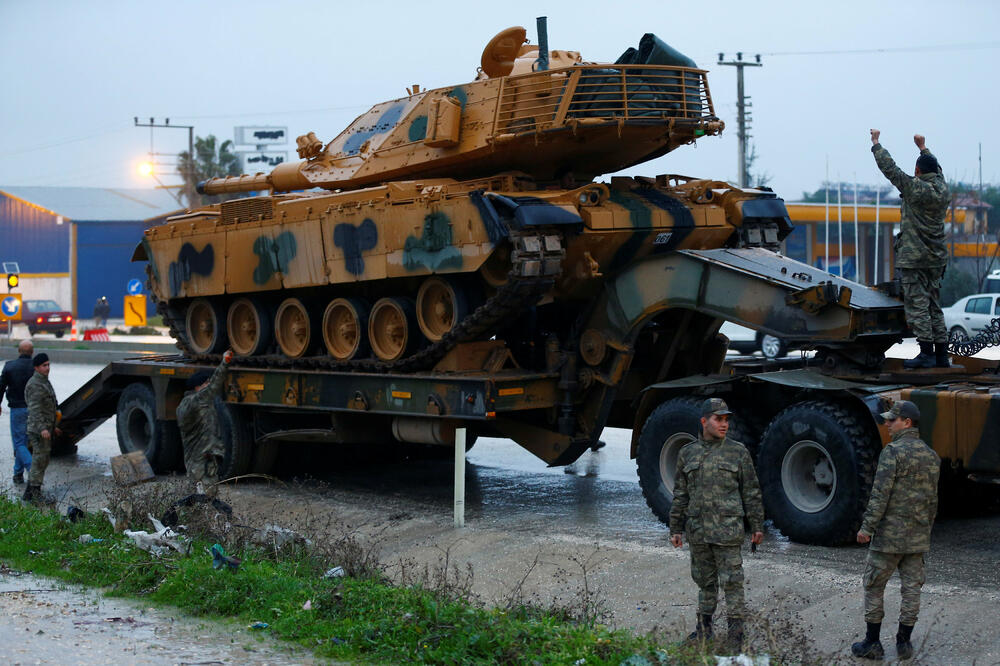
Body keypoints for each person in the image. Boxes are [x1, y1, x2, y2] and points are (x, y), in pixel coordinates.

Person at [669, 398, 765, 649]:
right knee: (705, 582)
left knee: (733, 583)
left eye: (726, 419)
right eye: (718, 419)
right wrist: (675, 528)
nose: (724, 424)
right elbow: (681, 494)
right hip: (699, 532)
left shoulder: (738, 452)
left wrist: (757, 526)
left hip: (728, 531)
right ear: (704, 421)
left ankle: (736, 636)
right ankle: (704, 630)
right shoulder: (687, 453)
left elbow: (751, 492)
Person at [851, 400, 940, 661]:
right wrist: (926, 531)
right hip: (917, 538)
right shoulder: (932, 456)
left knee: (874, 585)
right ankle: (904, 643)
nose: (887, 424)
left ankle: (872, 643)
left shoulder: (893, 452)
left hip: (888, 538)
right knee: (911, 589)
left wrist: (867, 527)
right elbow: (932, 500)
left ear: (907, 423)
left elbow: (880, 495)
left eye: (892, 420)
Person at [870, 130, 950, 369]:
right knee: (935, 306)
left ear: (917, 171)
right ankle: (941, 355)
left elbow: (890, 169)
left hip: (915, 259)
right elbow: (938, 169)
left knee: (918, 306)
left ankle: (926, 353)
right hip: (936, 260)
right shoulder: (942, 189)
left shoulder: (915, 188)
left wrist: (876, 143)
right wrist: (923, 147)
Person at [176, 350, 233, 484]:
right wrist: (225, 362)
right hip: (200, 461)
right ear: (197, 387)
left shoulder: (195, 402)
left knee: (205, 495)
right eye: (205, 383)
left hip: (203, 458)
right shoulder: (195, 401)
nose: (208, 385)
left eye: (208, 382)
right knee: (203, 495)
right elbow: (215, 384)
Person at [23, 353, 59, 502]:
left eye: (48, 364)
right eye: (44, 365)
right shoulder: (35, 384)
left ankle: (29, 493)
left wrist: (53, 427)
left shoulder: (44, 381)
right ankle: (35, 494)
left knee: (42, 460)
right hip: (38, 430)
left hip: (45, 428)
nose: (47, 368)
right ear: (36, 368)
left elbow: (50, 406)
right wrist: (43, 428)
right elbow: (35, 410)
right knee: (39, 460)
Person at [0, 339, 34, 484]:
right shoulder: (37, 367)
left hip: (17, 409)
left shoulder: (9, 366)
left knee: (19, 443)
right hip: (33, 409)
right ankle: (18, 473)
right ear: (32, 352)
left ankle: (33, 470)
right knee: (24, 442)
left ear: (19, 351)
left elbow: (1, 387)